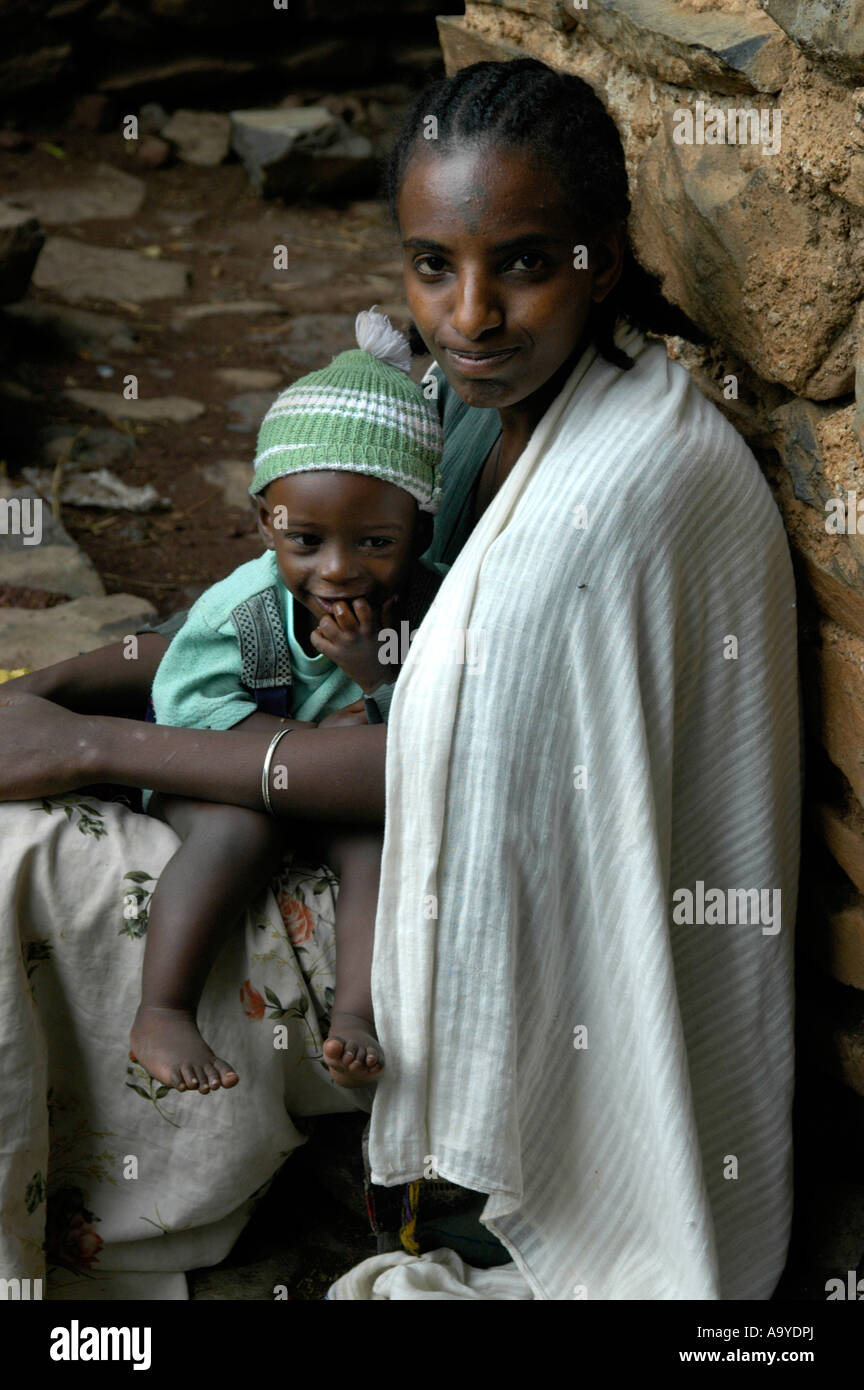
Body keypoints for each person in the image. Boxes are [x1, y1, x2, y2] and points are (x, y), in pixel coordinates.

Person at [0, 57, 800, 1300]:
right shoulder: (467, 413)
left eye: (525, 262)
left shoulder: (611, 500)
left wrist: (89, 748)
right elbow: (278, 625)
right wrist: (61, 687)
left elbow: (426, 767)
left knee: (20, 866)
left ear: (603, 254)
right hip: (345, 798)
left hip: (425, 928)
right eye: (435, 264)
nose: (470, 314)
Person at [132, 307, 443, 1096]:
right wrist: (297, 753)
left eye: (374, 541)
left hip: (333, 797)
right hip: (221, 782)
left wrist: (377, 676)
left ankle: (356, 1019)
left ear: (419, 531)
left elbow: (439, 718)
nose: (337, 570)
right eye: (306, 541)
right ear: (264, 525)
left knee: (375, 851)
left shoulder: (425, 608)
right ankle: (163, 1007)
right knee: (236, 833)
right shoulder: (248, 611)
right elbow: (187, 707)